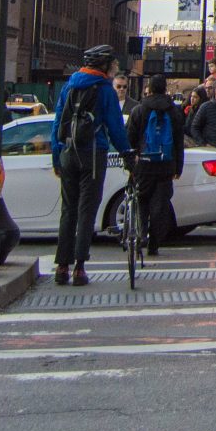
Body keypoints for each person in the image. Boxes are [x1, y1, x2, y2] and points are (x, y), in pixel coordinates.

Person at [50, 44, 134, 287]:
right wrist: (126, 151)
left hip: (67, 152)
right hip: (93, 154)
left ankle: (61, 267)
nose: (116, 68)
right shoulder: (105, 90)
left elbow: (57, 122)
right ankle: (79, 268)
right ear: (105, 65)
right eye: (113, 64)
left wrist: (57, 157)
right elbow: (115, 127)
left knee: (68, 210)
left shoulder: (70, 85)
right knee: (87, 210)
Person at [130, 73, 186, 255]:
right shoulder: (174, 111)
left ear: (150, 89)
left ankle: (141, 233)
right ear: (165, 89)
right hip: (166, 164)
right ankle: (154, 243)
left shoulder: (139, 110)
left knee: (141, 199)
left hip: (144, 164)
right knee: (160, 205)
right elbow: (179, 141)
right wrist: (178, 167)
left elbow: (130, 137)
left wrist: (131, 162)